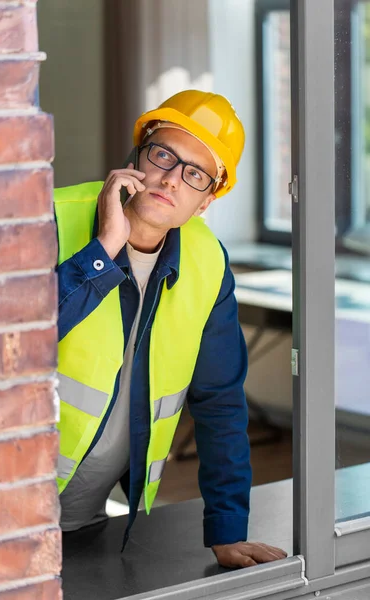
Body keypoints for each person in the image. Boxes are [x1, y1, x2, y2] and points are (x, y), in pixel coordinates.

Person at [55, 90, 287, 568]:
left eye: (195, 173)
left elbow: (220, 402)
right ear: (137, 155)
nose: (171, 179)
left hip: (86, 518)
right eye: (164, 154)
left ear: (206, 201)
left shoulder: (207, 261)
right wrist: (103, 250)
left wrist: (225, 528)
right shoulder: (48, 216)